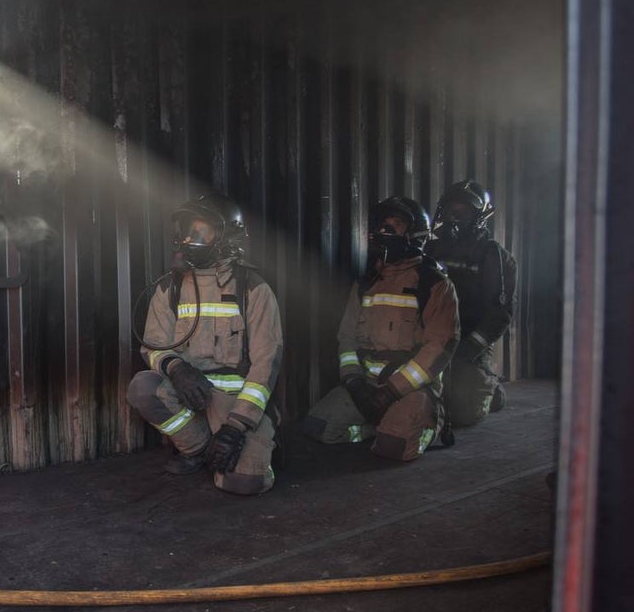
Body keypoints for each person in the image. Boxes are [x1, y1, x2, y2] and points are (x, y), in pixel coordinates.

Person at [127, 194, 283, 495]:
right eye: (186, 232)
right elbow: (154, 346)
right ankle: (197, 448)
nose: (188, 239)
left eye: (200, 232)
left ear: (226, 237)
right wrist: (177, 369)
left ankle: (260, 445)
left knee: (243, 483)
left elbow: (267, 365)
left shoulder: (253, 288)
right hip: (193, 396)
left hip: (237, 404)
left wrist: (236, 427)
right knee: (143, 387)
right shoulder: (169, 287)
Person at [301, 197, 459, 461]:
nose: (386, 230)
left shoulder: (434, 283)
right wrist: (354, 381)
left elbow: (439, 347)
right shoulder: (366, 283)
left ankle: (429, 426)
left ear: (414, 233)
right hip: (366, 386)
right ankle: (374, 429)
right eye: (382, 224)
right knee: (318, 428)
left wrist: (391, 391)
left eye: (395, 224)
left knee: (392, 449)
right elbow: (347, 338)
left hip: (409, 389)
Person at [425, 180, 518, 426]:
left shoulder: (494, 257)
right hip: (433, 336)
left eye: (463, 210)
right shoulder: (431, 249)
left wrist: (469, 350)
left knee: (462, 415)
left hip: (469, 340)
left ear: (479, 215)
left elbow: (500, 313)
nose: (455, 217)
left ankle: (490, 386)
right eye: (450, 210)